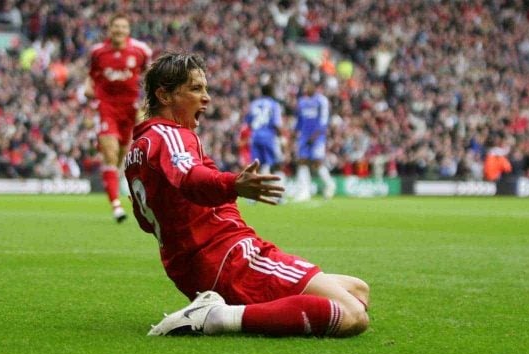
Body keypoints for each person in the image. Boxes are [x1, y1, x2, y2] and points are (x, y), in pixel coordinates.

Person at [124, 52, 369, 337]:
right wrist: (233, 184)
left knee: (359, 290)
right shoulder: (170, 134)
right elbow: (192, 177)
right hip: (229, 258)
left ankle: (224, 311)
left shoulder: (137, 151)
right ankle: (218, 316)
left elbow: (145, 222)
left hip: (196, 268)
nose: (207, 98)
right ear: (164, 96)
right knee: (352, 315)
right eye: (195, 88)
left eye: (205, 88)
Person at [84, 13, 152, 222]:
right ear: (110, 29)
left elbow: (149, 76)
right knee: (110, 154)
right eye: (116, 27)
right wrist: (89, 94)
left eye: (123, 27)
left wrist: (147, 102)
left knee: (123, 154)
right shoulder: (98, 52)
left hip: (131, 110)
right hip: (107, 108)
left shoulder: (141, 51)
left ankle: (126, 184)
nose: (119, 31)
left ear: (128, 30)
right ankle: (116, 205)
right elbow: (91, 78)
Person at [293, 81, 336, 201]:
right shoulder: (302, 102)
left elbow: (324, 120)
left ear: (315, 88)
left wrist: (316, 135)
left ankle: (329, 184)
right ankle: (304, 192)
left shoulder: (321, 101)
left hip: (318, 137)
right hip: (304, 136)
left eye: (309, 86)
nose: (307, 88)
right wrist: (295, 133)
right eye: (306, 86)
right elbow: (299, 121)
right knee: (302, 161)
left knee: (317, 162)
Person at [244, 82, 286, 198]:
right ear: (271, 92)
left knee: (256, 165)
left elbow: (248, 122)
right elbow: (276, 124)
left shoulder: (254, 104)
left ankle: (252, 195)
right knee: (275, 164)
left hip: (255, 136)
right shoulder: (274, 104)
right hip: (268, 137)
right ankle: (275, 194)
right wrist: (281, 138)